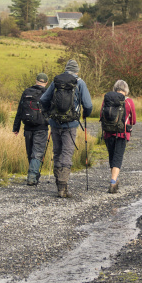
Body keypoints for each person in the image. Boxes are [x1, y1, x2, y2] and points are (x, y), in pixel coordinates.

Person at [39, 59, 93, 198]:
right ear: (77, 70)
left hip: (55, 122)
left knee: (57, 152)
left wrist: (47, 114)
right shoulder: (80, 82)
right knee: (67, 153)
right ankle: (63, 188)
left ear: (65, 69)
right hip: (71, 124)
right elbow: (88, 105)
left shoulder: (56, 82)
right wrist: (85, 115)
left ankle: (59, 185)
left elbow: (44, 99)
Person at [99, 79, 137, 194]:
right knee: (118, 157)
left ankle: (113, 179)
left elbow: (101, 115)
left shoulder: (107, 100)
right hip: (122, 133)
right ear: (126, 90)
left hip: (108, 133)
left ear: (115, 88)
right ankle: (113, 181)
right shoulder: (129, 102)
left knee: (111, 156)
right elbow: (134, 120)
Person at [13, 73, 49, 186]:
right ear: (46, 82)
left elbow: (19, 110)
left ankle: (33, 174)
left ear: (36, 80)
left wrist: (16, 128)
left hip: (27, 127)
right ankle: (32, 177)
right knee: (37, 152)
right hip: (41, 127)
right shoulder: (47, 93)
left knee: (30, 152)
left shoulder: (26, 92)